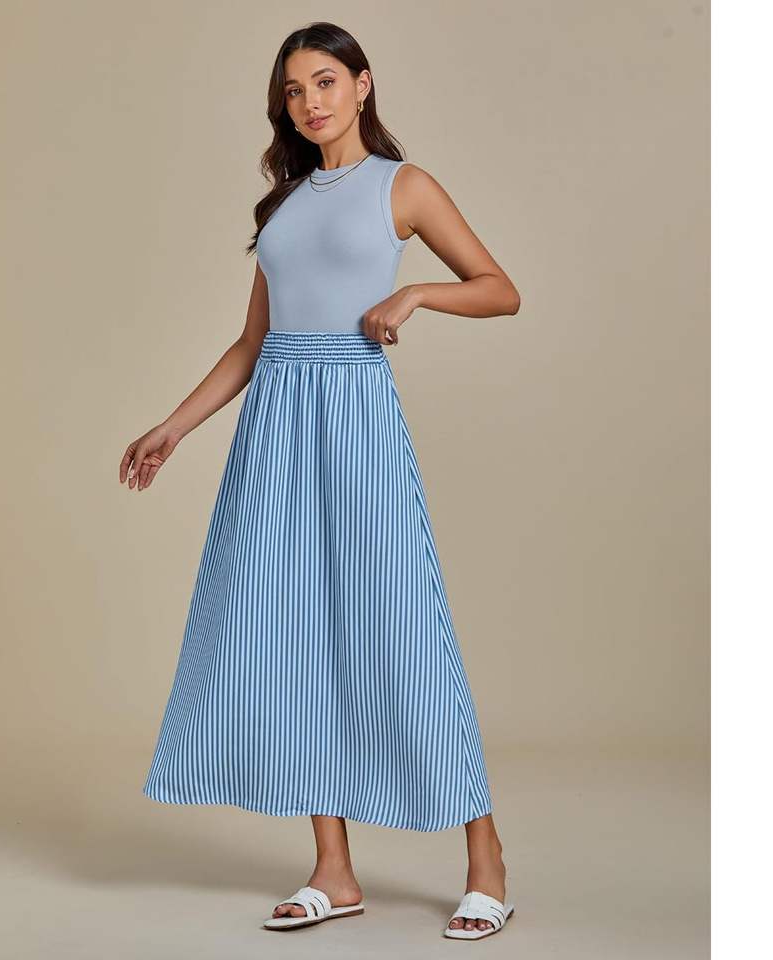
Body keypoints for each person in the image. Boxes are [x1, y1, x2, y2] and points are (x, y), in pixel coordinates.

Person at [119, 21, 521, 941]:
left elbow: (500, 288)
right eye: (294, 91)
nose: (310, 102)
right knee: (293, 639)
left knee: (402, 630)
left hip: (356, 420)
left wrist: (417, 293)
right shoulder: (284, 207)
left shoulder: (402, 186)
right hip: (274, 432)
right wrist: (173, 427)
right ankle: (333, 870)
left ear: (363, 84)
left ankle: (486, 859)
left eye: (326, 81)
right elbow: (253, 343)